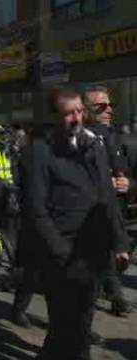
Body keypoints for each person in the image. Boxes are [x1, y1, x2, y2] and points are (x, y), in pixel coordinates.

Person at [28, 86, 130, 360]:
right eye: (68, 113)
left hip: (93, 253)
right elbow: (37, 210)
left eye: (79, 111)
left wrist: (120, 242)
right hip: (62, 258)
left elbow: (106, 198)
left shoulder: (93, 144)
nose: (76, 118)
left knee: (83, 321)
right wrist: (63, 254)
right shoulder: (41, 151)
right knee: (64, 327)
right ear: (54, 116)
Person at [83, 85, 134, 317]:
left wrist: (130, 185)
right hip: (87, 218)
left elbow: (131, 174)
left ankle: (114, 294)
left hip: (119, 215)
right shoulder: (77, 140)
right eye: (101, 106)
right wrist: (103, 184)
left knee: (114, 256)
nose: (109, 110)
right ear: (85, 110)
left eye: (111, 105)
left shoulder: (119, 138)